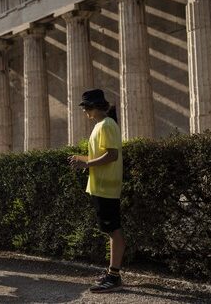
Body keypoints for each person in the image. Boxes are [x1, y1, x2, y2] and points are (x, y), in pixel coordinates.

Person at [69, 88, 125, 293]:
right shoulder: (101, 125)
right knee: (110, 230)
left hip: (107, 186)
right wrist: (81, 159)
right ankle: (112, 273)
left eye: (85, 108)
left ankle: (114, 276)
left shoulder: (107, 124)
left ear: (92, 107)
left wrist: (85, 165)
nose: (85, 112)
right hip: (101, 185)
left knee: (114, 231)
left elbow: (112, 156)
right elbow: (100, 155)